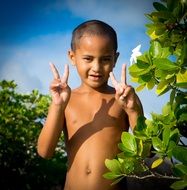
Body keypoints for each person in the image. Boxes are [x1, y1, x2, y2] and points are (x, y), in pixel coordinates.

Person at [37, 20, 143, 190]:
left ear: (115, 59)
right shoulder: (65, 100)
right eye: (88, 58)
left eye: (105, 59)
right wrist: (58, 106)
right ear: (73, 57)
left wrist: (133, 112)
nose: (97, 67)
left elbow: (145, 153)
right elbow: (45, 152)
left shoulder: (125, 99)